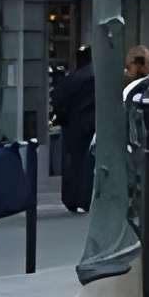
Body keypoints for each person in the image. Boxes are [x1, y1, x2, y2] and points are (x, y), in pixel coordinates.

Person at [54, 52, 96, 215]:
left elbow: (58, 99)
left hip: (72, 126)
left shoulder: (72, 79)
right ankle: (82, 199)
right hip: (90, 125)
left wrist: (63, 118)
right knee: (86, 165)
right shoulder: (94, 77)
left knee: (72, 163)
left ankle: (71, 198)